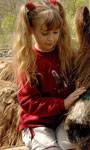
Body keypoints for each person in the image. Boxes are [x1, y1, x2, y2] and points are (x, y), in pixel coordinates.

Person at [12, 0, 85, 149]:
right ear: (31, 29)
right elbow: (29, 102)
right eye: (45, 33)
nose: (51, 38)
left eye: (55, 32)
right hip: (37, 123)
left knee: (73, 145)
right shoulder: (27, 62)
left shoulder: (68, 54)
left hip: (63, 119)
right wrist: (62, 104)